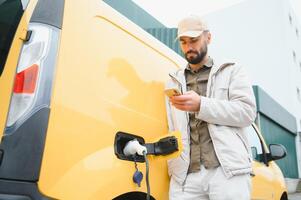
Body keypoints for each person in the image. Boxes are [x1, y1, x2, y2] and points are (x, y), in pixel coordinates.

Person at [165, 15, 256, 200]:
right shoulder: (173, 80)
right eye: (183, 42)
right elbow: (171, 128)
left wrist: (202, 105)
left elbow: (247, 113)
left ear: (208, 37)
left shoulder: (232, 70)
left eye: (194, 40)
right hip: (185, 176)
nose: (188, 47)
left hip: (227, 173)